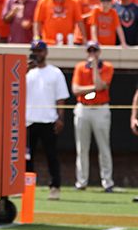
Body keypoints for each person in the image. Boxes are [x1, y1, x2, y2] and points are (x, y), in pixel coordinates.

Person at [26, 40, 70, 200]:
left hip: (48, 120)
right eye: (34, 51)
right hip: (28, 120)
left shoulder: (55, 72)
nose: (37, 54)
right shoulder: (26, 72)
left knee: (51, 156)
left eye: (39, 51)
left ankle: (55, 187)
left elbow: (61, 98)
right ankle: (25, 187)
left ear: (45, 52)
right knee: (26, 157)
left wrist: (60, 118)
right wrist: (25, 70)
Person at [71, 41, 115, 192]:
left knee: (104, 147)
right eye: (90, 51)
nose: (92, 54)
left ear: (99, 52)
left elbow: (101, 85)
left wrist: (95, 67)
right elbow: (76, 90)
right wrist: (93, 89)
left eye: (95, 51)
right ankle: (81, 182)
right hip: (83, 108)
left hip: (101, 109)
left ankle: (107, 182)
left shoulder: (107, 67)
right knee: (82, 148)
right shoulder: (80, 67)